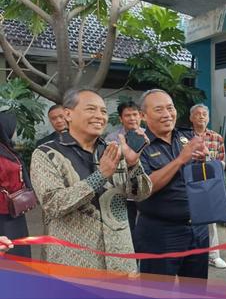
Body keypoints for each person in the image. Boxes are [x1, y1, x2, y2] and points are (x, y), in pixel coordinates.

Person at [30, 89, 152, 272]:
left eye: (103, 111)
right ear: (68, 114)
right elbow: (53, 205)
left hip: (120, 261)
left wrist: (134, 164)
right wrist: (100, 175)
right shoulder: (46, 154)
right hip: (72, 262)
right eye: (91, 109)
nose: (99, 116)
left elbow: (140, 194)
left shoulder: (114, 150)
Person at [135, 89, 211, 279]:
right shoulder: (137, 146)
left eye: (170, 108)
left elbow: (203, 182)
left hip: (197, 229)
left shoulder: (185, 138)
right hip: (160, 234)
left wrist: (203, 163)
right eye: (159, 109)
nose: (167, 114)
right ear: (143, 116)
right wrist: (180, 160)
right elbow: (145, 187)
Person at [189, 103, 226, 269]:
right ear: (191, 118)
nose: (202, 117)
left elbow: (223, 163)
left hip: (210, 181)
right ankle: (190, 254)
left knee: (210, 220)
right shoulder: (183, 137)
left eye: (204, 114)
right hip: (190, 180)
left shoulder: (217, 138)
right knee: (189, 218)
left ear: (209, 117)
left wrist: (208, 158)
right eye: (198, 114)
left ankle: (213, 255)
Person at [105, 100, 143, 235]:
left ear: (141, 116)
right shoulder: (112, 139)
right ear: (121, 119)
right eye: (127, 115)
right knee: (128, 231)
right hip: (123, 193)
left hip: (147, 190)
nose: (132, 118)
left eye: (135, 114)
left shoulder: (149, 136)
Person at [0, 112, 32, 258]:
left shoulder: (6, 148)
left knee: (19, 248)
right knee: (11, 252)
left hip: (14, 209)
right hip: (4, 213)